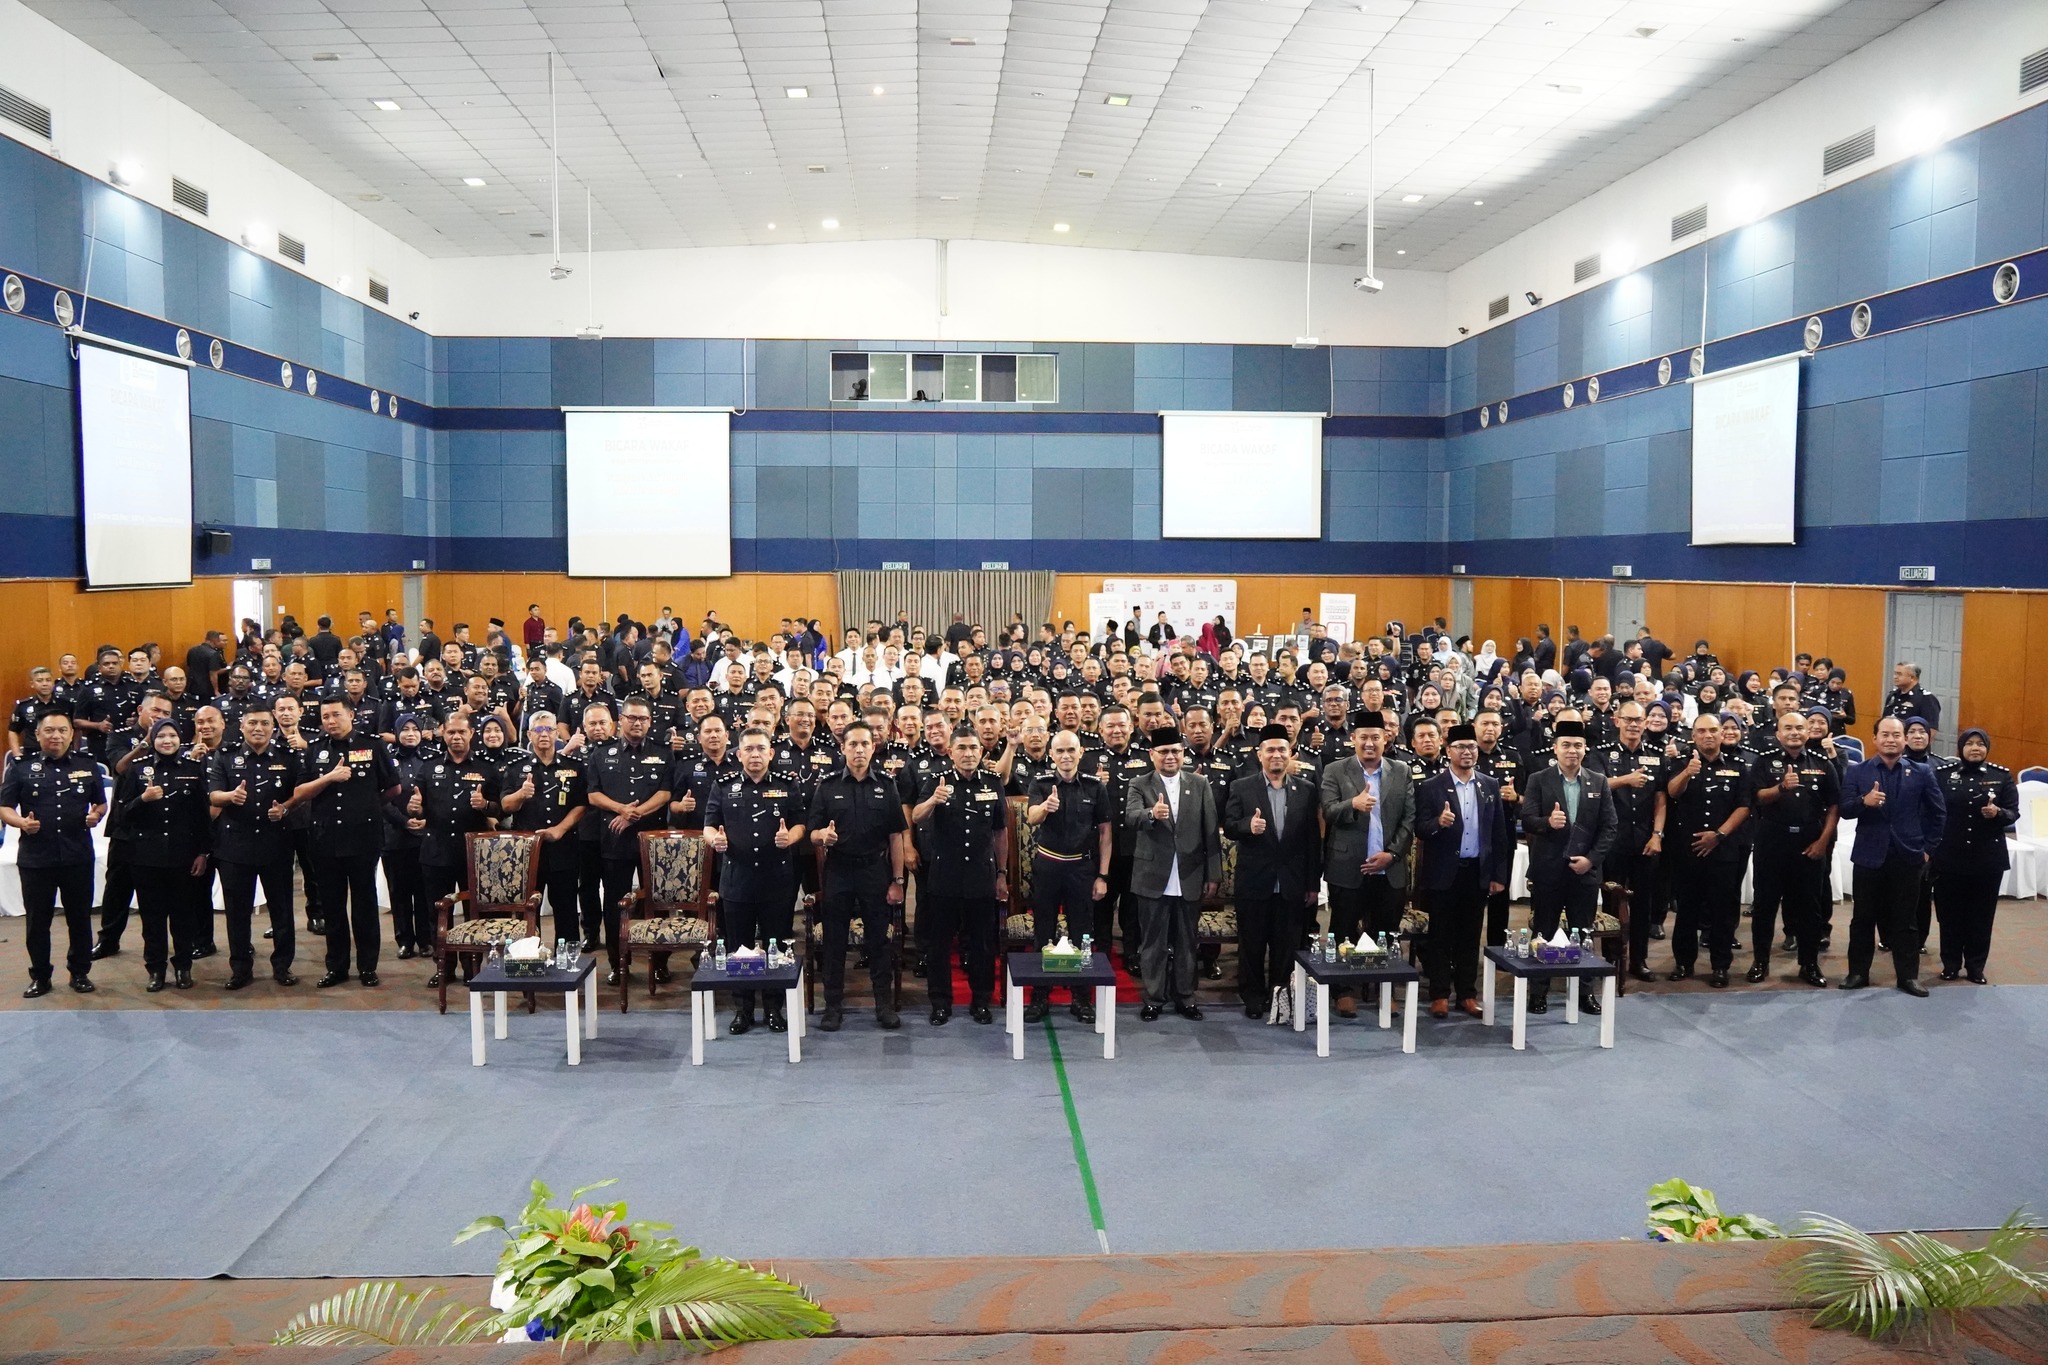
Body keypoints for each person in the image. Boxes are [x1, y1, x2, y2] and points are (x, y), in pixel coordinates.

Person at [704, 727, 808, 1034]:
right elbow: (709, 825)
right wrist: (715, 841)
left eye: (761, 749)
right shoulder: (723, 786)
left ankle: (774, 1008)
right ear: (739, 754)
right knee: (741, 947)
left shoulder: (788, 784)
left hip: (776, 879)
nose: (755, 754)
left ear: (771, 753)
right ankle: (743, 1009)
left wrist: (791, 837)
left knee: (775, 945)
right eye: (748, 749)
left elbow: (802, 822)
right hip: (737, 879)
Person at [807, 721, 909, 1031]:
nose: (859, 749)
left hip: (874, 871)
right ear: (843, 748)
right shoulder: (827, 786)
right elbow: (811, 833)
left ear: (874, 747)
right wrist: (822, 835)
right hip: (838, 869)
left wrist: (897, 880)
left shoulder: (886, 785)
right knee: (835, 942)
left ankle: (884, 1005)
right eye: (853, 744)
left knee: (878, 941)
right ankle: (832, 1008)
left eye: (865, 744)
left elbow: (896, 836)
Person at [296, 697, 402, 989]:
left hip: (362, 838)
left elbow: (393, 787)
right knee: (332, 906)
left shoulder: (373, 745)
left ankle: (367, 966)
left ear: (351, 715)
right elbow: (302, 790)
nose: (330, 721)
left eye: (336, 715)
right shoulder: (315, 749)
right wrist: (329, 779)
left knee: (365, 905)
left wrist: (366, 806)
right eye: (325, 716)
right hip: (325, 839)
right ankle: (337, 966)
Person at [1838, 716, 1948, 996]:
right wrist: (1865, 801)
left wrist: (1928, 850)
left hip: (1909, 856)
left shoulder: (1921, 771)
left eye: (1896, 735)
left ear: (1905, 740)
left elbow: (1938, 813)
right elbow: (1845, 809)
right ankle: (1858, 973)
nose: (1891, 739)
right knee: (1862, 919)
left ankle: (1908, 977)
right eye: (1885, 735)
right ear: (1874, 739)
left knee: (1906, 920)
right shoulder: (1858, 772)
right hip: (1869, 856)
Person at [1, 713, 108, 996]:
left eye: (62, 730)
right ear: (37, 735)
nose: (56, 736)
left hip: (77, 855)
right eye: (49, 731)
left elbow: (101, 803)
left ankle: (80, 972)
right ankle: (40, 976)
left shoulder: (87, 766)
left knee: (79, 918)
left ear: (72, 734)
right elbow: (5, 806)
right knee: (38, 922)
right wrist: (21, 823)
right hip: (37, 858)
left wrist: (96, 815)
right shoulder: (21, 767)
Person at [911, 727, 1009, 1025]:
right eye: (962, 748)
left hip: (981, 875)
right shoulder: (936, 781)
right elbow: (916, 816)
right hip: (944, 876)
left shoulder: (992, 783)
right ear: (951, 752)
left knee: (982, 944)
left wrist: (1002, 873)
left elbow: (1000, 832)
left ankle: (981, 1001)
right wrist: (932, 801)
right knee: (939, 944)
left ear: (981, 752)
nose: (968, 753)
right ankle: (940, 1002)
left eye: (973, 748)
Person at [1123, 725, 1220, 1022]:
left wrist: (1213, 875)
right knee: (1152, 942)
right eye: (1164, 752)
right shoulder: (1140, 783)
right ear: (1152, 754)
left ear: (1183, 754)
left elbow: (1210, 833)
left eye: (1176, 751)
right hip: (1153, 874)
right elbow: (1130, 817)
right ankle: (1154, 998)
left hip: (1190, 874)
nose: (1170, 757)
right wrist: (1152, 814)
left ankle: (1186, 997)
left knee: (1187, 941)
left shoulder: (1199, 783)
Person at [1411, 723, 1509, 1017]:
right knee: (1440, 936)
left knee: (1470, 936)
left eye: (1471, 747)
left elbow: (1499, 835)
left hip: (1476, 871)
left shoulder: (1489, 785)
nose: (1467, 753)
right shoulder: (1431, 787)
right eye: (1460, 748)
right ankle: (1439, 994)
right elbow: (1420, 828)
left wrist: (1498, 875)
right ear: (1447, 751)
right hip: (1443, 873)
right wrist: (1437, 824)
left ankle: (1467, 994)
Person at [1519, 719, 1616, 1015]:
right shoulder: (1539, 778)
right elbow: (1527, 819)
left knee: (1582, 933)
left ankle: (1585, 992)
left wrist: (1591, 860)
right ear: (1555, 748)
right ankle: (1539, 992)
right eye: (1566, 745)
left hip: (1584, 872)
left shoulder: (1598, 781)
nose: (1572, 751)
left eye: (1577, 745)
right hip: (1549, 871)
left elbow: (1609, 827)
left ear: (1585, 749)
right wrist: (1547, 823)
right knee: (1544, 933)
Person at [1317, 715, 1413, 1011]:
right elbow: (1328, 811)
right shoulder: (1335, 770)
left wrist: (1393, 854)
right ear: (1353, 739)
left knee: (1385, 932)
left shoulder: (1401, 771)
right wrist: (1353, 805)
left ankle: (1385, 990)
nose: (1369, 743)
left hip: (1389, 867)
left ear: (1386, 739)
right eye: (1363, 737)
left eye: (1376, 737)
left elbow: (1409, 818)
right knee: (1343, 929)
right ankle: (1342, 989)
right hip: (1348, 866)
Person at [1228, 723, 1323, 1019]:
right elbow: (1229, 826)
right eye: (1270, 749)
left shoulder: (1306, 790)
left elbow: (1312, 841)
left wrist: (1312, 884)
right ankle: (1253, 997)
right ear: (1260, 755)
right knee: (1252, 945)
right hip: (1255, 882)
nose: (1276, 755)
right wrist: (1248, 826)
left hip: (1292, 884)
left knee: (1287, 946)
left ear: (1291, 753)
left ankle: (1280, 996)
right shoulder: (1241, 787)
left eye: (1282, 749)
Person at [207, 704, 305, 988]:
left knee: (282, 910)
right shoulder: (225, 757)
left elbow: (299, 795)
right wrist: (230, 797)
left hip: (276, 845)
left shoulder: (288, 757)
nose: (258, 729)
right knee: (237, 913)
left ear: (273, 726)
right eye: (252, 723)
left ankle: (283, 966)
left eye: (264, 723)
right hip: (235, 846)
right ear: (241, 726)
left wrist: (284, 809)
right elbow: (213, 795)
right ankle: (240, 969)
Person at [1744, 710, 1841, 988]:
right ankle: (1760, 962)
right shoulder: (1764, 762)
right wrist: (1781, 788)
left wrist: (1823, 841)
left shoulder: (1823, 763)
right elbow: (1757, 798)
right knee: (1765, 906)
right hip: (1772, 843)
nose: (1794, 732)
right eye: (1788, 728)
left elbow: (1834, 805)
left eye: (1800, 727)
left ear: (1808, 732)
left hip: (1809, 844)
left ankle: (1809, 964)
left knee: (1809, 909)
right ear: (1778, 733)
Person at [1022, 730, 1111, 1024]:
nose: (1066, 756)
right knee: (1043, 933)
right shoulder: (1042, 783)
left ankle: (1081, 998)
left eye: (1071, 750)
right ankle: (1039, 996)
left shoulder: (1095, 787)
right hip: (1048, 867)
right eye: (1059, 751)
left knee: (1082, 935)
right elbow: (1031, 816)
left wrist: (1103, 875)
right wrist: (1045, 808)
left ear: (1081, 752)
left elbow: (1105, 834)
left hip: (1081, 870)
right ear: (1052, 754)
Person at [116, 718, 211, 992]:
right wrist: (142, 800)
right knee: (153, 918)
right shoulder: (137, 770)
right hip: (146, 858)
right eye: (161, 736)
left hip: (183, 857)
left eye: (172, 735)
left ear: (180, 740)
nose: (167, 741)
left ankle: (183, 967)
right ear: (153, 740)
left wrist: (203, 852)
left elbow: (202, 817)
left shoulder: (193, 769)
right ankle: (155, 970)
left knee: (183, 917)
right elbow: (121, 815)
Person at [584, 698, 674, 985]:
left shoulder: (663, 753)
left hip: (653, 843)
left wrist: (634, 813)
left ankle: (659, 963)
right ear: (619, 720)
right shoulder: (601, 753)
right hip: (615, 841)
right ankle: (618, 963)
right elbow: (593, 795)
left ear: (650, 722)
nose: (637, 723)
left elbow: (665, 793)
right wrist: (621, 809)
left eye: (643, 719)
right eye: (632, 718)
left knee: (657, 905)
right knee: (615, 905)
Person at [1661, 713, 1751, 987]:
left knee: (1723, 911)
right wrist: (1688, 773)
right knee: (1686, 909)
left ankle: (1720, 966)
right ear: (1693, 735)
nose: (1708, 735)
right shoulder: (1679, 763)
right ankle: (1684, 962)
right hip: (1687, 850)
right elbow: (1672, 792)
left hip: (1723, 849)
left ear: (1723, 734)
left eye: (1714, 730)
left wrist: (1719, 834)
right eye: (1702, 731)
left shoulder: (1738, 766)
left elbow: (1744, 806)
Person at [1930, 728, 2017, 984]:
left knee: (1981, 916)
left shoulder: (2000, 776)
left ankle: (1976, 966)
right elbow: (1932, 811)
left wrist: (1999, 814)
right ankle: (1951, 964)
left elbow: (2013, 812)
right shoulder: (1943, 774)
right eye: (1970, 744)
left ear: (1987, 748)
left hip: (1987, 859)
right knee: (1949, 915)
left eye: (1980, 744)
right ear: (1961, 748)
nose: (1975, 748)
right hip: (1950, 857)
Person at [500, 712, 586, 951]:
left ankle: (568, 963)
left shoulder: (574, 767)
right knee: (528, 910)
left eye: (548, 729)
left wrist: (560, 829)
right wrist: (520, 795)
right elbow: (506, 805)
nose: (544, 734)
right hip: (529, 852)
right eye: (538, 730)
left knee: (566, 909)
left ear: (557, 734)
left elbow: (581, 804)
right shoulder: (517, 768)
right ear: (529, 735)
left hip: (564, 849)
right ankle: (528, 958)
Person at [1598, 702, 1666, 984]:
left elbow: (1661, 799)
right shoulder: (1602, 754)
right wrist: (1626, 779)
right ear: (1617, 721)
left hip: (1645, 841)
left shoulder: (1656, 756)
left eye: (1640, 720)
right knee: (1612, 902)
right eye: (1629, 719)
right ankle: (1610, 961)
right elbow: (1595, 784)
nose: (1635, 724)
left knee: (1642, 904)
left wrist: (1657, 834)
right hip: (1612, 841)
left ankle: (1638, 960)